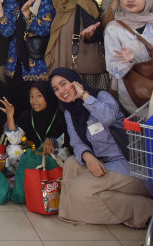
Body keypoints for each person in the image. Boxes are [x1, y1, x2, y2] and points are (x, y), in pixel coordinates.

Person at [51, 67, 153, 228]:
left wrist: (85, 96)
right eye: (56, 89)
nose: (61, 91)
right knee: (71, 164)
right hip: (103, 162)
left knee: (78, 188)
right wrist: (87, 156)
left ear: (75, 82)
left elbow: (108, 118)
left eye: (64, 84)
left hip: (128, 164)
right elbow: (76, 142)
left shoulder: (101, 96)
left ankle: (145, 210)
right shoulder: (70, 112)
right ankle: (73, 210)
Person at [46, 0, 106, 89]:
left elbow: (98, 33)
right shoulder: (60, 6)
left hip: (81, 71)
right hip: (64, 69)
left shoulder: (85, 2)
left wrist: (90, 35)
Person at [104, 0, 153, 114]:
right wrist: (132, 61)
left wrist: (135, 58)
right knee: (140, 133)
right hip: (134, 96)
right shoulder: (114, 28)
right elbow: (113, 67)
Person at [1, 81, 67, 173]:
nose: (34, 100)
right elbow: (14, 140)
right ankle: (22, 176)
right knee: (13, 150)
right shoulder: (26, 114)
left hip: (49, 154)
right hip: (30, 154)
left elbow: (64, 139)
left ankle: (51, 178)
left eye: (39, 96)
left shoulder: (58, 115)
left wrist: (51, 142)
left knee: (62, 153)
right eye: (31, 96)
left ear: (47, 96)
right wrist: (10, 116)